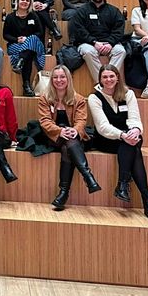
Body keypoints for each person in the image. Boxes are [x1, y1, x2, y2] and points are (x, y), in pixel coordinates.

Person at [88, 65, 148, 221]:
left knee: (133, 143)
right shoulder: (94, 98)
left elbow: (134, 118)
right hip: (107, 139)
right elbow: (102, 126)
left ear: (117, 77)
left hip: (128, 136)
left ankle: (123, 185)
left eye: (111, 76)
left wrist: (135, 130)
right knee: (133, 148)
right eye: (105, 77)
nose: (108, 79)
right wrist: (122, 135)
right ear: (100, 79)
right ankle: (147, 200)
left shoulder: (128, 94)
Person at [37, 64, 100, 210]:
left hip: (72, 136)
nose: (59, 80)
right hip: (53, 136)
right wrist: (60, 131)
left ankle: (63, 193)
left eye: (62, 77)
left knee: (68, 146)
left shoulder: (78, 99)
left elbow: (81, 120)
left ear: (68, 79)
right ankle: (88, 177)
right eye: (55, 77)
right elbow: (45, 121)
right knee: (69, 143)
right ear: (51, 80)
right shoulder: (45, 98)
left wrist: (75, 130)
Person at [69, 0, 126, 80]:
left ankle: (109, 78)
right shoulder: (81, 11)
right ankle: (102, 82)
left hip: (110, 44)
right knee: (88, 52)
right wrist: (94, 42)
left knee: (120, 51)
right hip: (88, 44)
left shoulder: (114, 11)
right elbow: (79, 31)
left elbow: (119, 30)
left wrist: (110, 43)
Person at [3, 0, 47, 97]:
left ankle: (21, 61)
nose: (25, 2)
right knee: (29, 54)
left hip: (33, 44)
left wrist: (27, 39)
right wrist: (17, 40)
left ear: (30, 3)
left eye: (27, 0)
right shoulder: (10, 17)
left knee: (32, 39)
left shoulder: (33, 15)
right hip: (16, 45)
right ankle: (26, 85)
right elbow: (5, 35)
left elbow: (40, 32)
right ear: (18, 1)